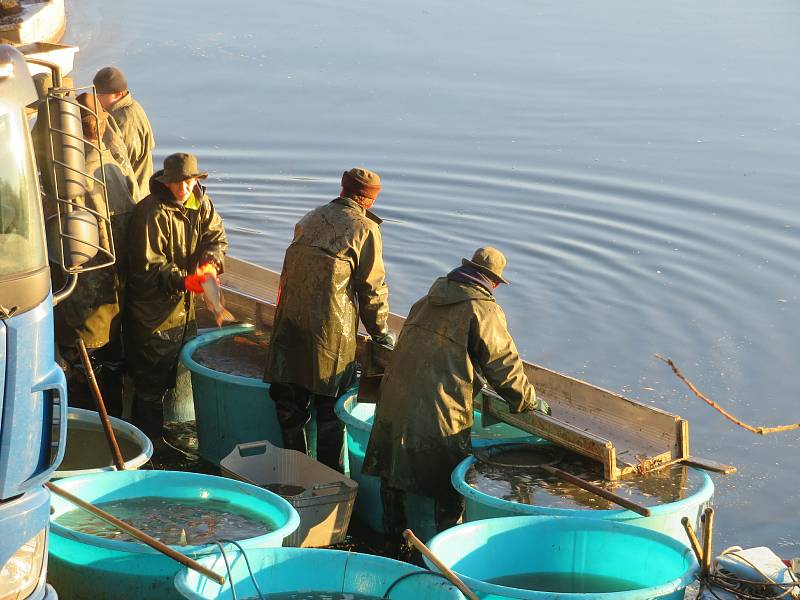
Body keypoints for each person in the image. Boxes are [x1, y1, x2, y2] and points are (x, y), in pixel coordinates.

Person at [362, 246, 551, 558]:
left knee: (392, 472)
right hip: (439, 409)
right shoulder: (483, 310)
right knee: (449, 484)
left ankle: (393, 546)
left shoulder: (424, 302)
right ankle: (446, 557)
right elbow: (503, 366)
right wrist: (528, 401)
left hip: (394, 400)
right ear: (493, 282)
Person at [263, 167, 395, 472]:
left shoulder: (310, 218)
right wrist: (380, 333)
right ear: (370, 200)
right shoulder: (365, 229)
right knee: (329, 413)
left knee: (289, 408)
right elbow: (372, 289)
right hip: (330, 335)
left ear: (342, 189)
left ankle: (293, 476)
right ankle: (328, 481)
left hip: (289, 328)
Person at [125, 153, 227, 436]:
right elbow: (149, 267)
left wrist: (212, 261)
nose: (183, 188)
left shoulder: (201, 203)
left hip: (185, 312)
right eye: (177, 183)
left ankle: (173, 430)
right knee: (149, 385)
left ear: (196, 179)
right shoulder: (150, 213)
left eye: (188, 181)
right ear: (166, 182)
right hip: (151, 313)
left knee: (180, 375)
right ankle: (148, 446)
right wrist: (185, 281)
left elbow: (216, 237)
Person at [52, 92, 138, 417]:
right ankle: (115, 426)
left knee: (88, 385)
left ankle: (90, 436)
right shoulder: (114, 168)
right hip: (114, 298)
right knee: (110, 376)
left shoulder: (75, 180)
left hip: (85, 305)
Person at [93, 66, 155, 197]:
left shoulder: (125, 121)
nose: (96, 99)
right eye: (96, 94)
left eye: (101, 95)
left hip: (134, 196)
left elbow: (123, 164)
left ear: (118, 94)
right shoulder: (130, 106)